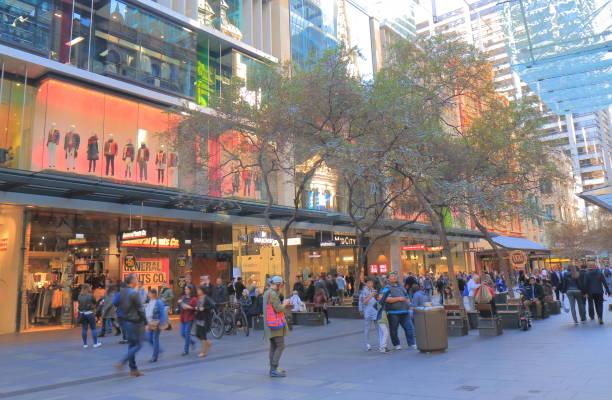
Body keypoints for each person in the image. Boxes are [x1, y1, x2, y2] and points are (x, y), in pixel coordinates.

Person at [115, 274, 147, 377]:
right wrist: (145, 321)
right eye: (136, 279)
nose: (137, 280)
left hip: (125, 321)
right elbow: (140, 309)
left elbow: (115, 303)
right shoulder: (134, 293)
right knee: (138, 344)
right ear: (132, 281)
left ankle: (133, 370)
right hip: (135, 322)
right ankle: (122, 361)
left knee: (131, 345)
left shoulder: (121, 292)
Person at [263, 276, 291, 377]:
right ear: (278, 284)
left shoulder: (267, 292)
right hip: (275, 324)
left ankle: (273, 368)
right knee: (280, 345)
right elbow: (278, 309)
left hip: (269, 324)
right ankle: (274, 369)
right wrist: (285, 303)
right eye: (281, 285)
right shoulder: (273, 294)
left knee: (274, 346)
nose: (282, 286)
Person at [380, 271, 416, 351]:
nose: (394, 277)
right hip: (393, 313)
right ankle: (396, 344)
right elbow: (387, 299)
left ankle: (412, 343)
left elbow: (407, 297)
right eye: (392, 276)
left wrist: (408, 303)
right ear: (388, 278)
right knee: (394, 330)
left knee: (409, 328)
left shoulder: (401, 287)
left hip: (405, 312)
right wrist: (399, 299)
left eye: (395, 276)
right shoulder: (386, 288)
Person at [144, 288, 167, 362]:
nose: (148, 295)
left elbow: (163, 314)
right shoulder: (150, 301)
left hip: (156, 323)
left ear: (153, 294)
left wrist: (161, 324)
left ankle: (154, 357)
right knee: (149, 338)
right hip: (150, 323)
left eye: (149, 293)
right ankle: (158, 350)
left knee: (154, 339)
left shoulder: (159, 302)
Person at [78, 284, 101, 348]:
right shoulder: (90, 295)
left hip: (82, 314)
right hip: (90, 313)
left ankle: (85, 344)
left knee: (84, 328)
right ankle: (95, 343)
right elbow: (95, 302)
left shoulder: (79, 296)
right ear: (88, 289)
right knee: (93, 328)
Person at [195, 286, 215, 357]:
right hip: (199, 318)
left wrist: (205, 308)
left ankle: (203, 352)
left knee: (203, 336)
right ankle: (208, 343)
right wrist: (197, 308)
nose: (197, 291)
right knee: (197, 334)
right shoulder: (199, 298)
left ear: (202, 291)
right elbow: (198, 307)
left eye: (199, 290)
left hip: (204, 319)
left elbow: (213, 305)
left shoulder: (207, 298)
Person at [359, 277, 378, 351]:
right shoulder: (364, 291)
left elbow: (375, 300)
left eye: (372, 282)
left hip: (375, 311)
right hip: (368, 312)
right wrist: (371, 295)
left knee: (378, 327)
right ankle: (367, 344)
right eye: (369, 283)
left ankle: (381, 344)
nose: (371, 284)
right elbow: (364, 302)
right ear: (366, 283)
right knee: (367, 328)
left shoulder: (373, 289)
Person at [178, 285, 197, 356]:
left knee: (186, 333)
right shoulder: (183, 297)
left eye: (187, 289)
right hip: (183, 317)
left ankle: (186, 350)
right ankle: (192, 342)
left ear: (190, 290)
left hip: (189, 318)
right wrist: (180, 303)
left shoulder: (194, 299)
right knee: (182, 333)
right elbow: (180, 305)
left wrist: (187, 306)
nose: (186, 291)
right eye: (185, 289)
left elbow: (195, 308)